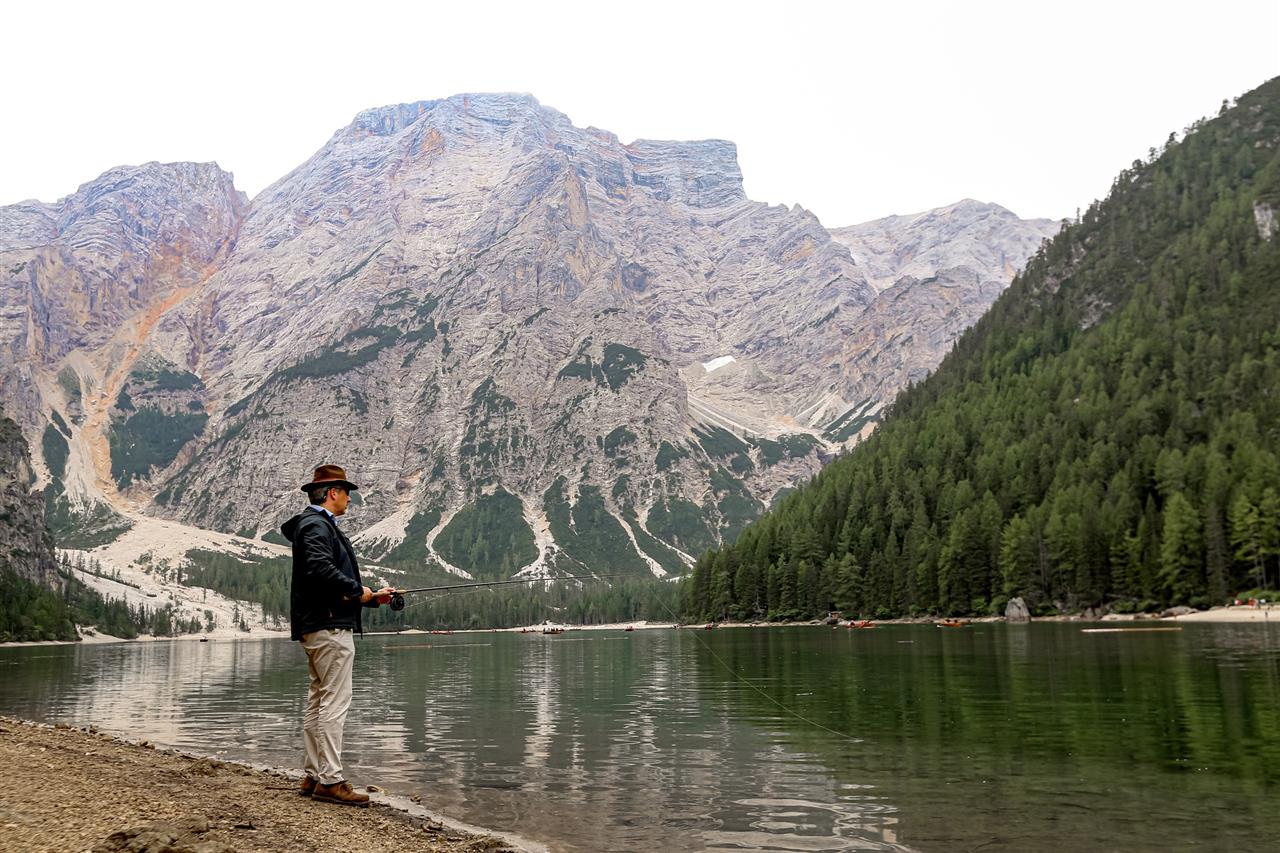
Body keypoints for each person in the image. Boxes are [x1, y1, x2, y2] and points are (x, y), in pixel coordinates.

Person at [282, 464, 393, 807]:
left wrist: (370, 598)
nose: (349, 499)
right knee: (334, 702)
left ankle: (314, 775)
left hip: (319, 624)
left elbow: (324, 581)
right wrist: (358, 590)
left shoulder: (312, 525)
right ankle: (330, 780)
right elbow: (320, 570)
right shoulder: (317, 525)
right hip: (329, 628)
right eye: (347, 492)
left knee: (319, 700)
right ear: (332, 493)